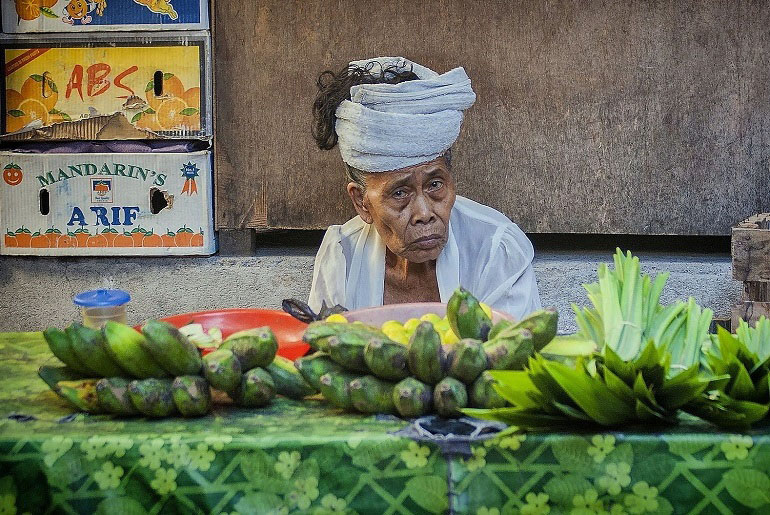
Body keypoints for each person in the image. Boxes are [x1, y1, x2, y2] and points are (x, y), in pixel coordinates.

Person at [308, 57, 541, 319]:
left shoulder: (496, 250)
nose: (424, 213)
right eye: (399, 193)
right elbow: (322, 349)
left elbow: (509, 352)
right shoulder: (342, 257)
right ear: (362, 202)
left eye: (435, 185)